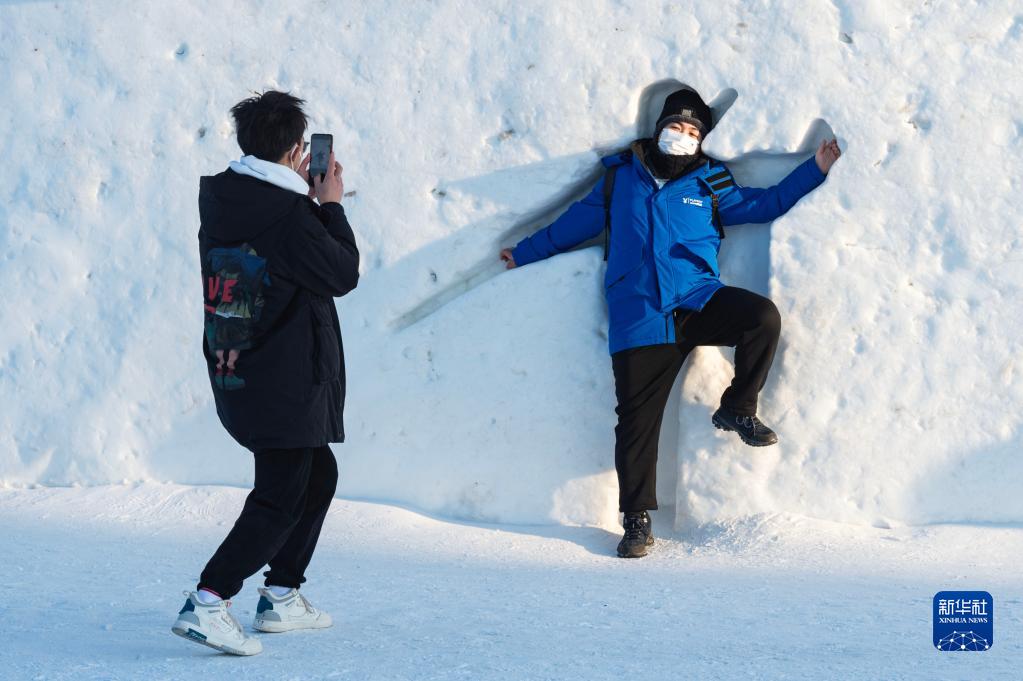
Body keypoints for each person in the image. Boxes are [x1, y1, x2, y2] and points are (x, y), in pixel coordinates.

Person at [500, 88, 840, 559]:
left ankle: (737, 407)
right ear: (659, 129)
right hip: (640, 312)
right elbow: (572, 225)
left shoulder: (711, 180)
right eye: (676, 126)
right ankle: (636, 521)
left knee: (761, 318)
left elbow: (762, 205)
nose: (683, 135)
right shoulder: (620, 178)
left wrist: (814, 170)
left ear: (701, 139)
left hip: (697, 298)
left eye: (693, 130)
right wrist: (523, 253)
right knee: (636, 422)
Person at [171, 90, 360, 655]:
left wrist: (301, 199)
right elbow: (341, 273)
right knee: (281, 494)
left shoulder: (228, 198)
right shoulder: (288, 216)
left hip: (242, 367)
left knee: (317, 475)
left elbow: (280, 261)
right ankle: (209, 600)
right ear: (297, 149)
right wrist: (330, 205)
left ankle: (280, 594)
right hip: (282, 378)